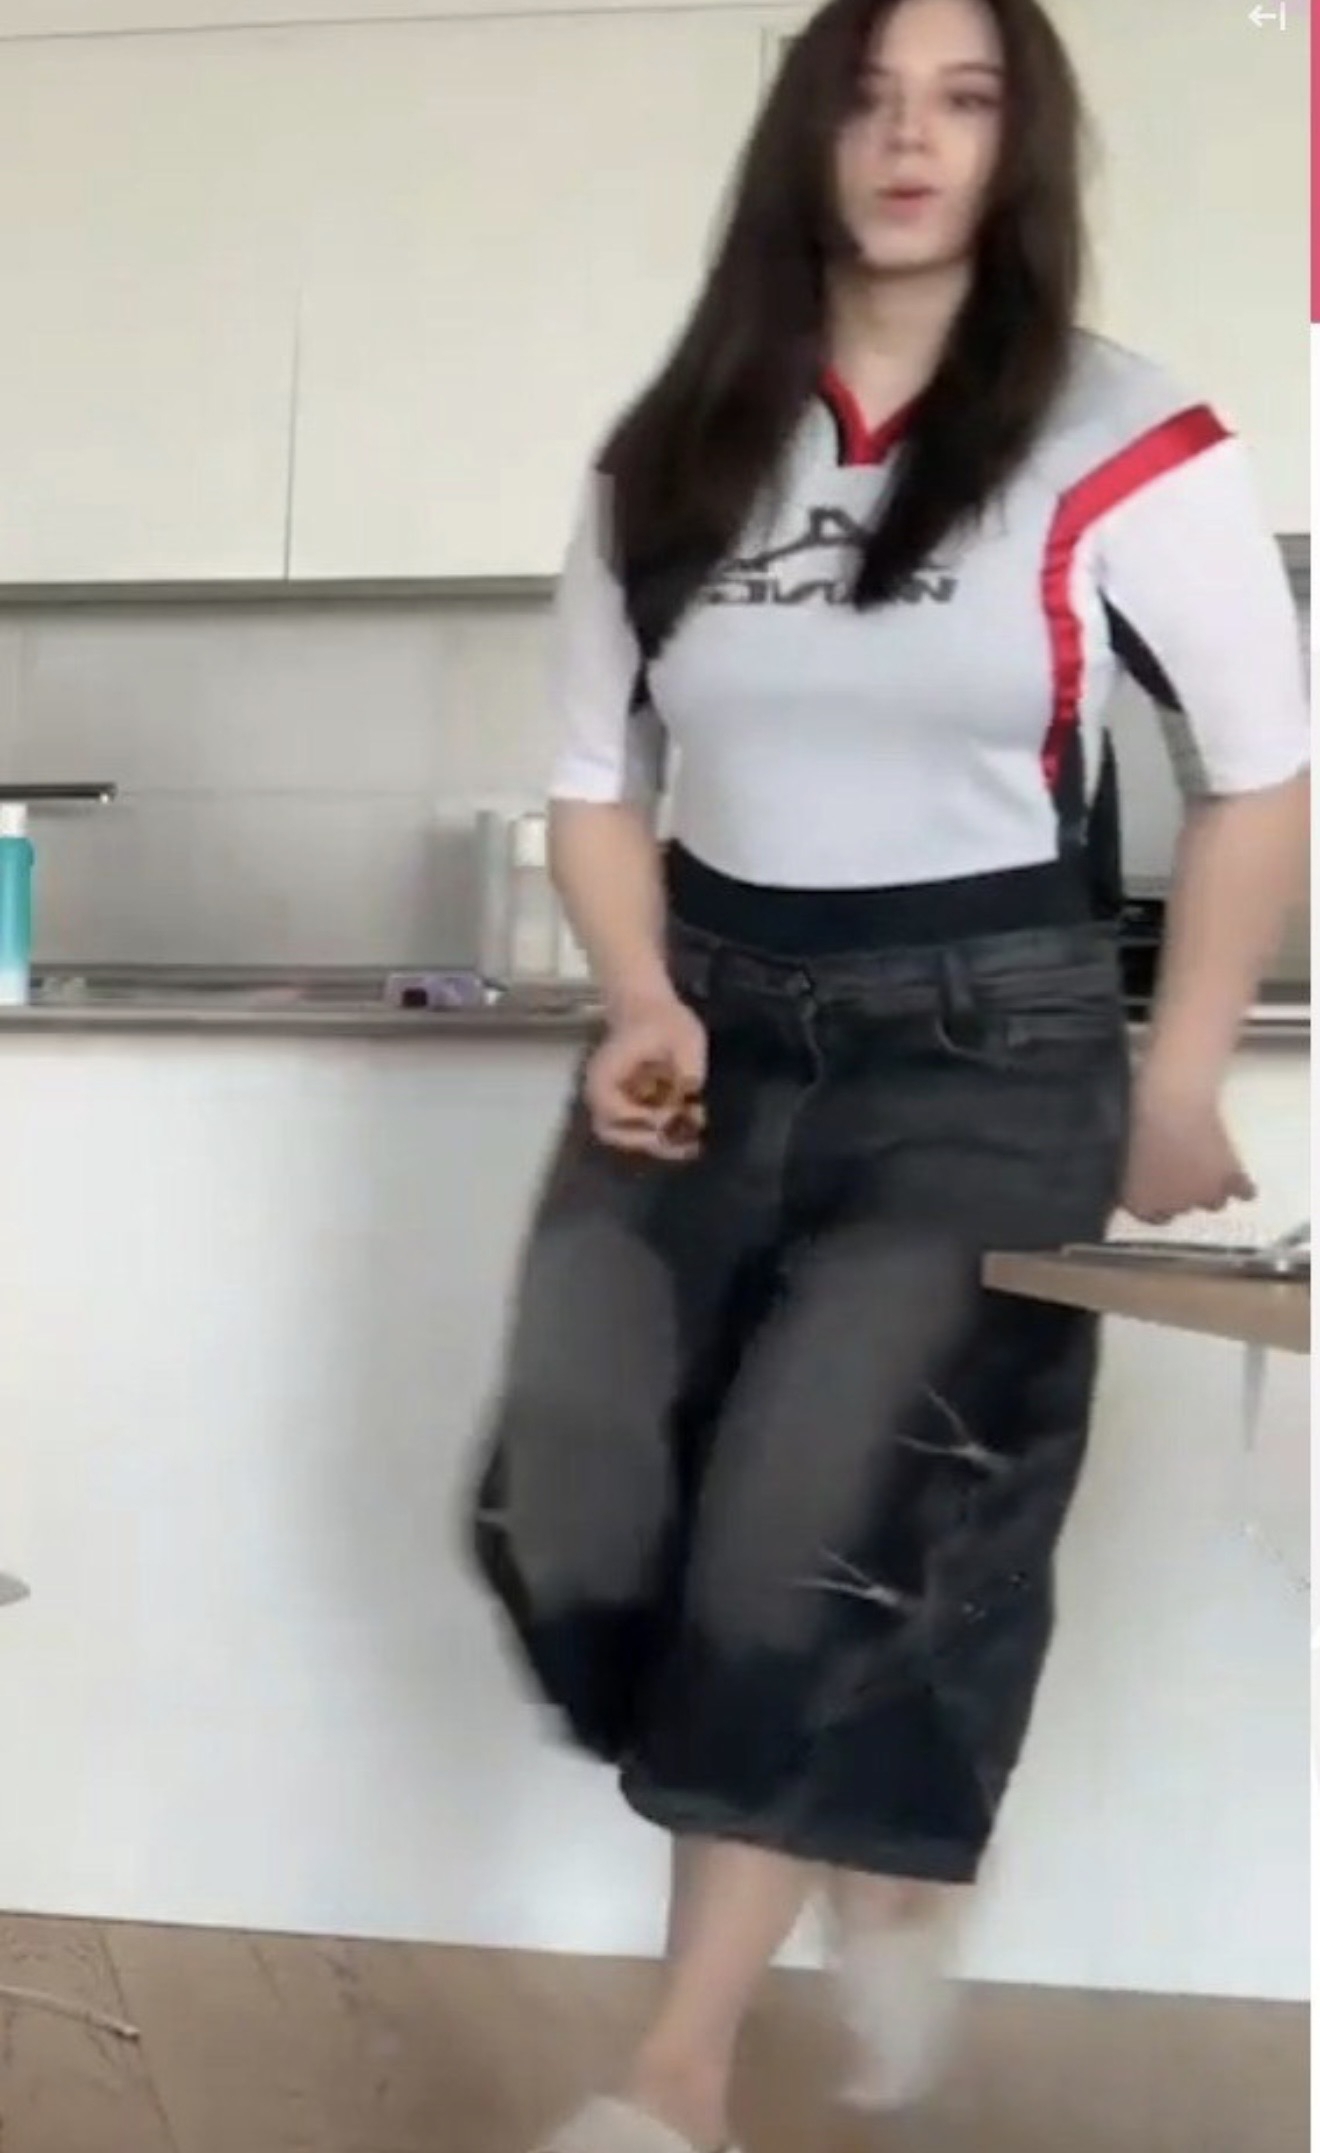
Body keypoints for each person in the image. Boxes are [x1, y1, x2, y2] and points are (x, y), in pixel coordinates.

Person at [469, 0, 1310, 2146]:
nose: (912, 137)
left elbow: (1263, 772)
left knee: (800, 1528)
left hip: (987, 1045)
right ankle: (878, 1825)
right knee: (568, 1502)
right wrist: (639, 996)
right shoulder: (672, 453)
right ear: (803, 138)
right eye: (865, 94)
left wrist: (1180, 1072)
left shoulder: (1124, 437)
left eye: (965, 97)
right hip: (712, 1033)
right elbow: (594, 784)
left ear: (1021, 145)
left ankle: (676, 2077)